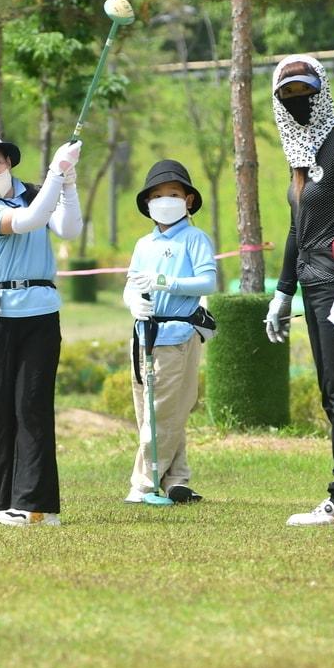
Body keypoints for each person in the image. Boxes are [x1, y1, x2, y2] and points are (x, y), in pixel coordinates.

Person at [263, 55, 334, 526]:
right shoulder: (300, 155)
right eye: (288, 96)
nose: (299, 103)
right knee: (331, 390)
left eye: (306, 92)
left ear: (322, 90)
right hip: (311, 284)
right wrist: (282, 291)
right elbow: (296, 228)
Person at [0, 129, 82, 527]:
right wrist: (56, 176)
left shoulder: (35, 192)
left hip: (39, 316)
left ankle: (37, 507)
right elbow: (28, 221)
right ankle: (5, 501)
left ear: (8, 162)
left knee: (32, 408)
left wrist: (68, 183)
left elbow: (68, 227)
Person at [122, 159, 217, 505]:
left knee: (163, 411)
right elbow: (130, 284)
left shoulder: (194, 238)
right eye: (158, 195)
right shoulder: (143, 244)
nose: (165, 200)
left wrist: (165, 282)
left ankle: (144, 483)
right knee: (153, 410)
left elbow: (207, 281)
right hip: (143, 334)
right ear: (147, 203)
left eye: (173, 193)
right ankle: (177, 477)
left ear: (188, 200)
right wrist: (134, 301)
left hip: (176, 336)